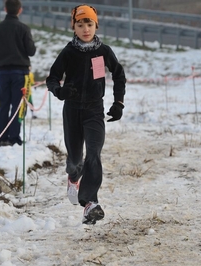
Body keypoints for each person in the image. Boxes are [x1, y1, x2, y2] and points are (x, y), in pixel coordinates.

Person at [46, 4, 126, 225]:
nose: (85, 29)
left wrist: (118, 102)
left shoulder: (104, 52)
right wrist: (59, 91)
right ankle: (73, 177)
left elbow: (119, 75)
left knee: (94, 153)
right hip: (72, 110)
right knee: (75, 160)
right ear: (74, 27)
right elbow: (52, 78)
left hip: (94, 110)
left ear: (96, 25)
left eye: (89, 24)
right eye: (80, 24)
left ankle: (90, 203)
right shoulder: (68, 52)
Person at [0, 0, 36, 147]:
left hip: (3, 72)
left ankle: (2, 137)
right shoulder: (24, 28)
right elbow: (31, 51)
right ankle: (14, 137)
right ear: (19, 10)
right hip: (20, 73)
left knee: (3, 105)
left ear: (5, 9)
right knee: (18, 106)